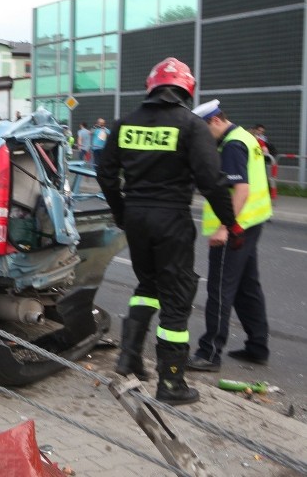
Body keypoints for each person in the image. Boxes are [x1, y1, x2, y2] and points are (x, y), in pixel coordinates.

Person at [96, 57, 242, 406]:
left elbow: (104, 173)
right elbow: (213, 181)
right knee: (177, 295)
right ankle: (171, 383)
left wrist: (121, 213)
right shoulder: (190, 126)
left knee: (147, 285)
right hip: (171, 219)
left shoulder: (124, 124)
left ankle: (129, 357)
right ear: (186, 89)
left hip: (136, 217)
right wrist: (231, 224)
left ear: (152, 86)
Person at [186, 101, 273, 372]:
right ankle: (257, 347)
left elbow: (242, 190)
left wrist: (225, 227)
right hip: (252, 223)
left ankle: (209, 353)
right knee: (248, 288)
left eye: (202, 130)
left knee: (220, 289)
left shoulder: (233, 145)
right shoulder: (246, 137)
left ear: (214, 121)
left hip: (236, 229)